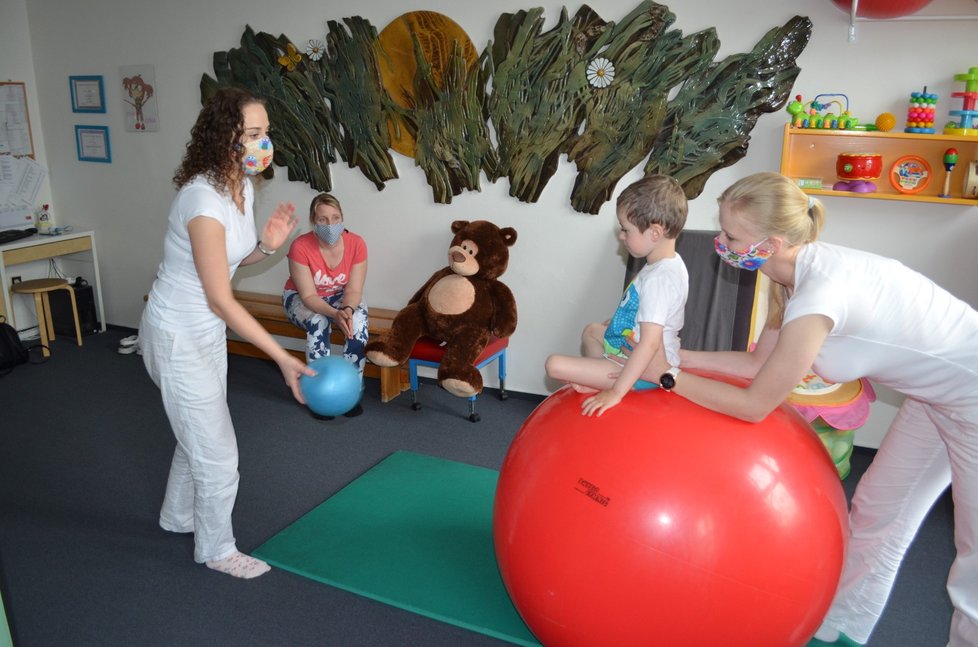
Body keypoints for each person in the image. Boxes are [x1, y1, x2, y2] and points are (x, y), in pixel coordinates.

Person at [637, 171, 978, 647]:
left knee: (974, 568)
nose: (721, 243)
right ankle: (840, 631)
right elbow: (759, 364)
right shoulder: (792, 276)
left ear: (771, 243)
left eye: (732, 236)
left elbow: (755, 404)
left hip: (973, 394)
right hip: (937, 395)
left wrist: (666, 376)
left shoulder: (818, 295)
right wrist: (677, 356)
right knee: (878, 514)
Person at [140, 87, 314, 579]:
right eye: (254, 134)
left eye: (267, 133)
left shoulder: (239, 187)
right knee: (218, 454)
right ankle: (216, 549)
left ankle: (178, 517)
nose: (266, 144)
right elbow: (220, 294)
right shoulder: (202, 200)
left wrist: (266, 246)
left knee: (198, 431)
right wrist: (281, 356)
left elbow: (230, 265)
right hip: (176, 334)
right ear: (226, 138)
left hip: (206, 329)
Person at [545, 175, 688, 417]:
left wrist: (617, 391)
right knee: (592, 330)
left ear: (654, 233)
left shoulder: (658, 279)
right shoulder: (666, 263)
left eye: (626, 230)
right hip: (629, 347)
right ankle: (599, 374)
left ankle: (607, 380)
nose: (621, 236)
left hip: (642, 369)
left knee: (554, 365)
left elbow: (651, 343)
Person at [282, 193, 368, 417]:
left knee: (356, 322)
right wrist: (333, 313)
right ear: (313, 221)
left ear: (342, 217)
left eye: (335, 217)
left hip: (341, 297)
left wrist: (346, 311)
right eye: (323, 220)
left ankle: (351, 391)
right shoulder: (300, 246)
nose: (330, 225)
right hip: (300, 298)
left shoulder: (356, 244)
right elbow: (309, 296)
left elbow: (354, 290)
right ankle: (318, 393)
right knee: (318, 321)